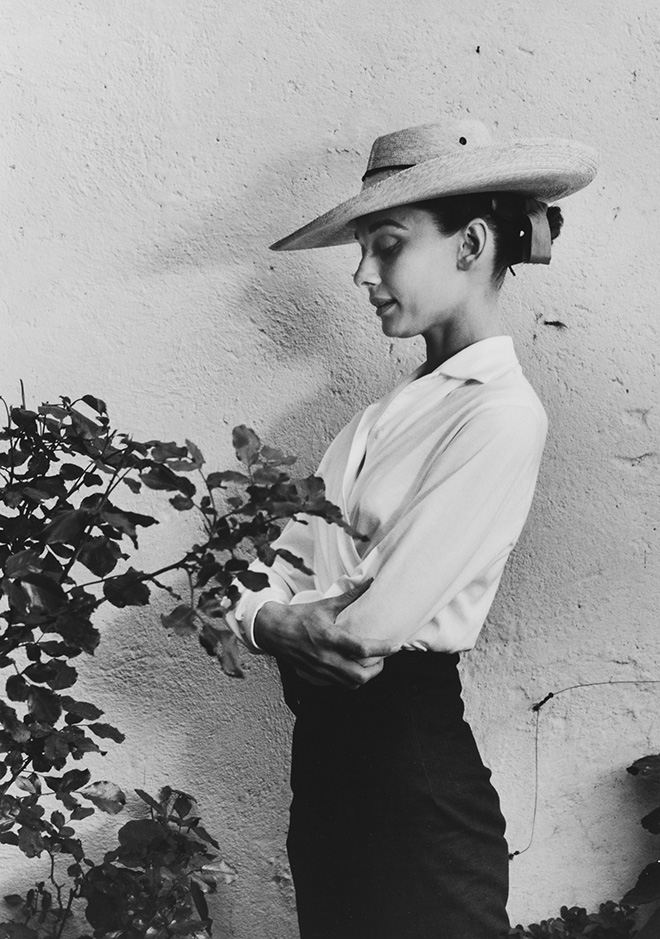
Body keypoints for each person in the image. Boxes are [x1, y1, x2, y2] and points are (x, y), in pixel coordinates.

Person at [227, 119, 597, 939]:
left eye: (387, 244)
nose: (362, 273)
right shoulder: (374, 421)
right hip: (327, 779)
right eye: (361, 249)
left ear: (469, 244)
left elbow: (367, 630)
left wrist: (272, 612)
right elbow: (252, 575)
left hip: (411, 779)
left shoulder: (500, 415)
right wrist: (270, 616)